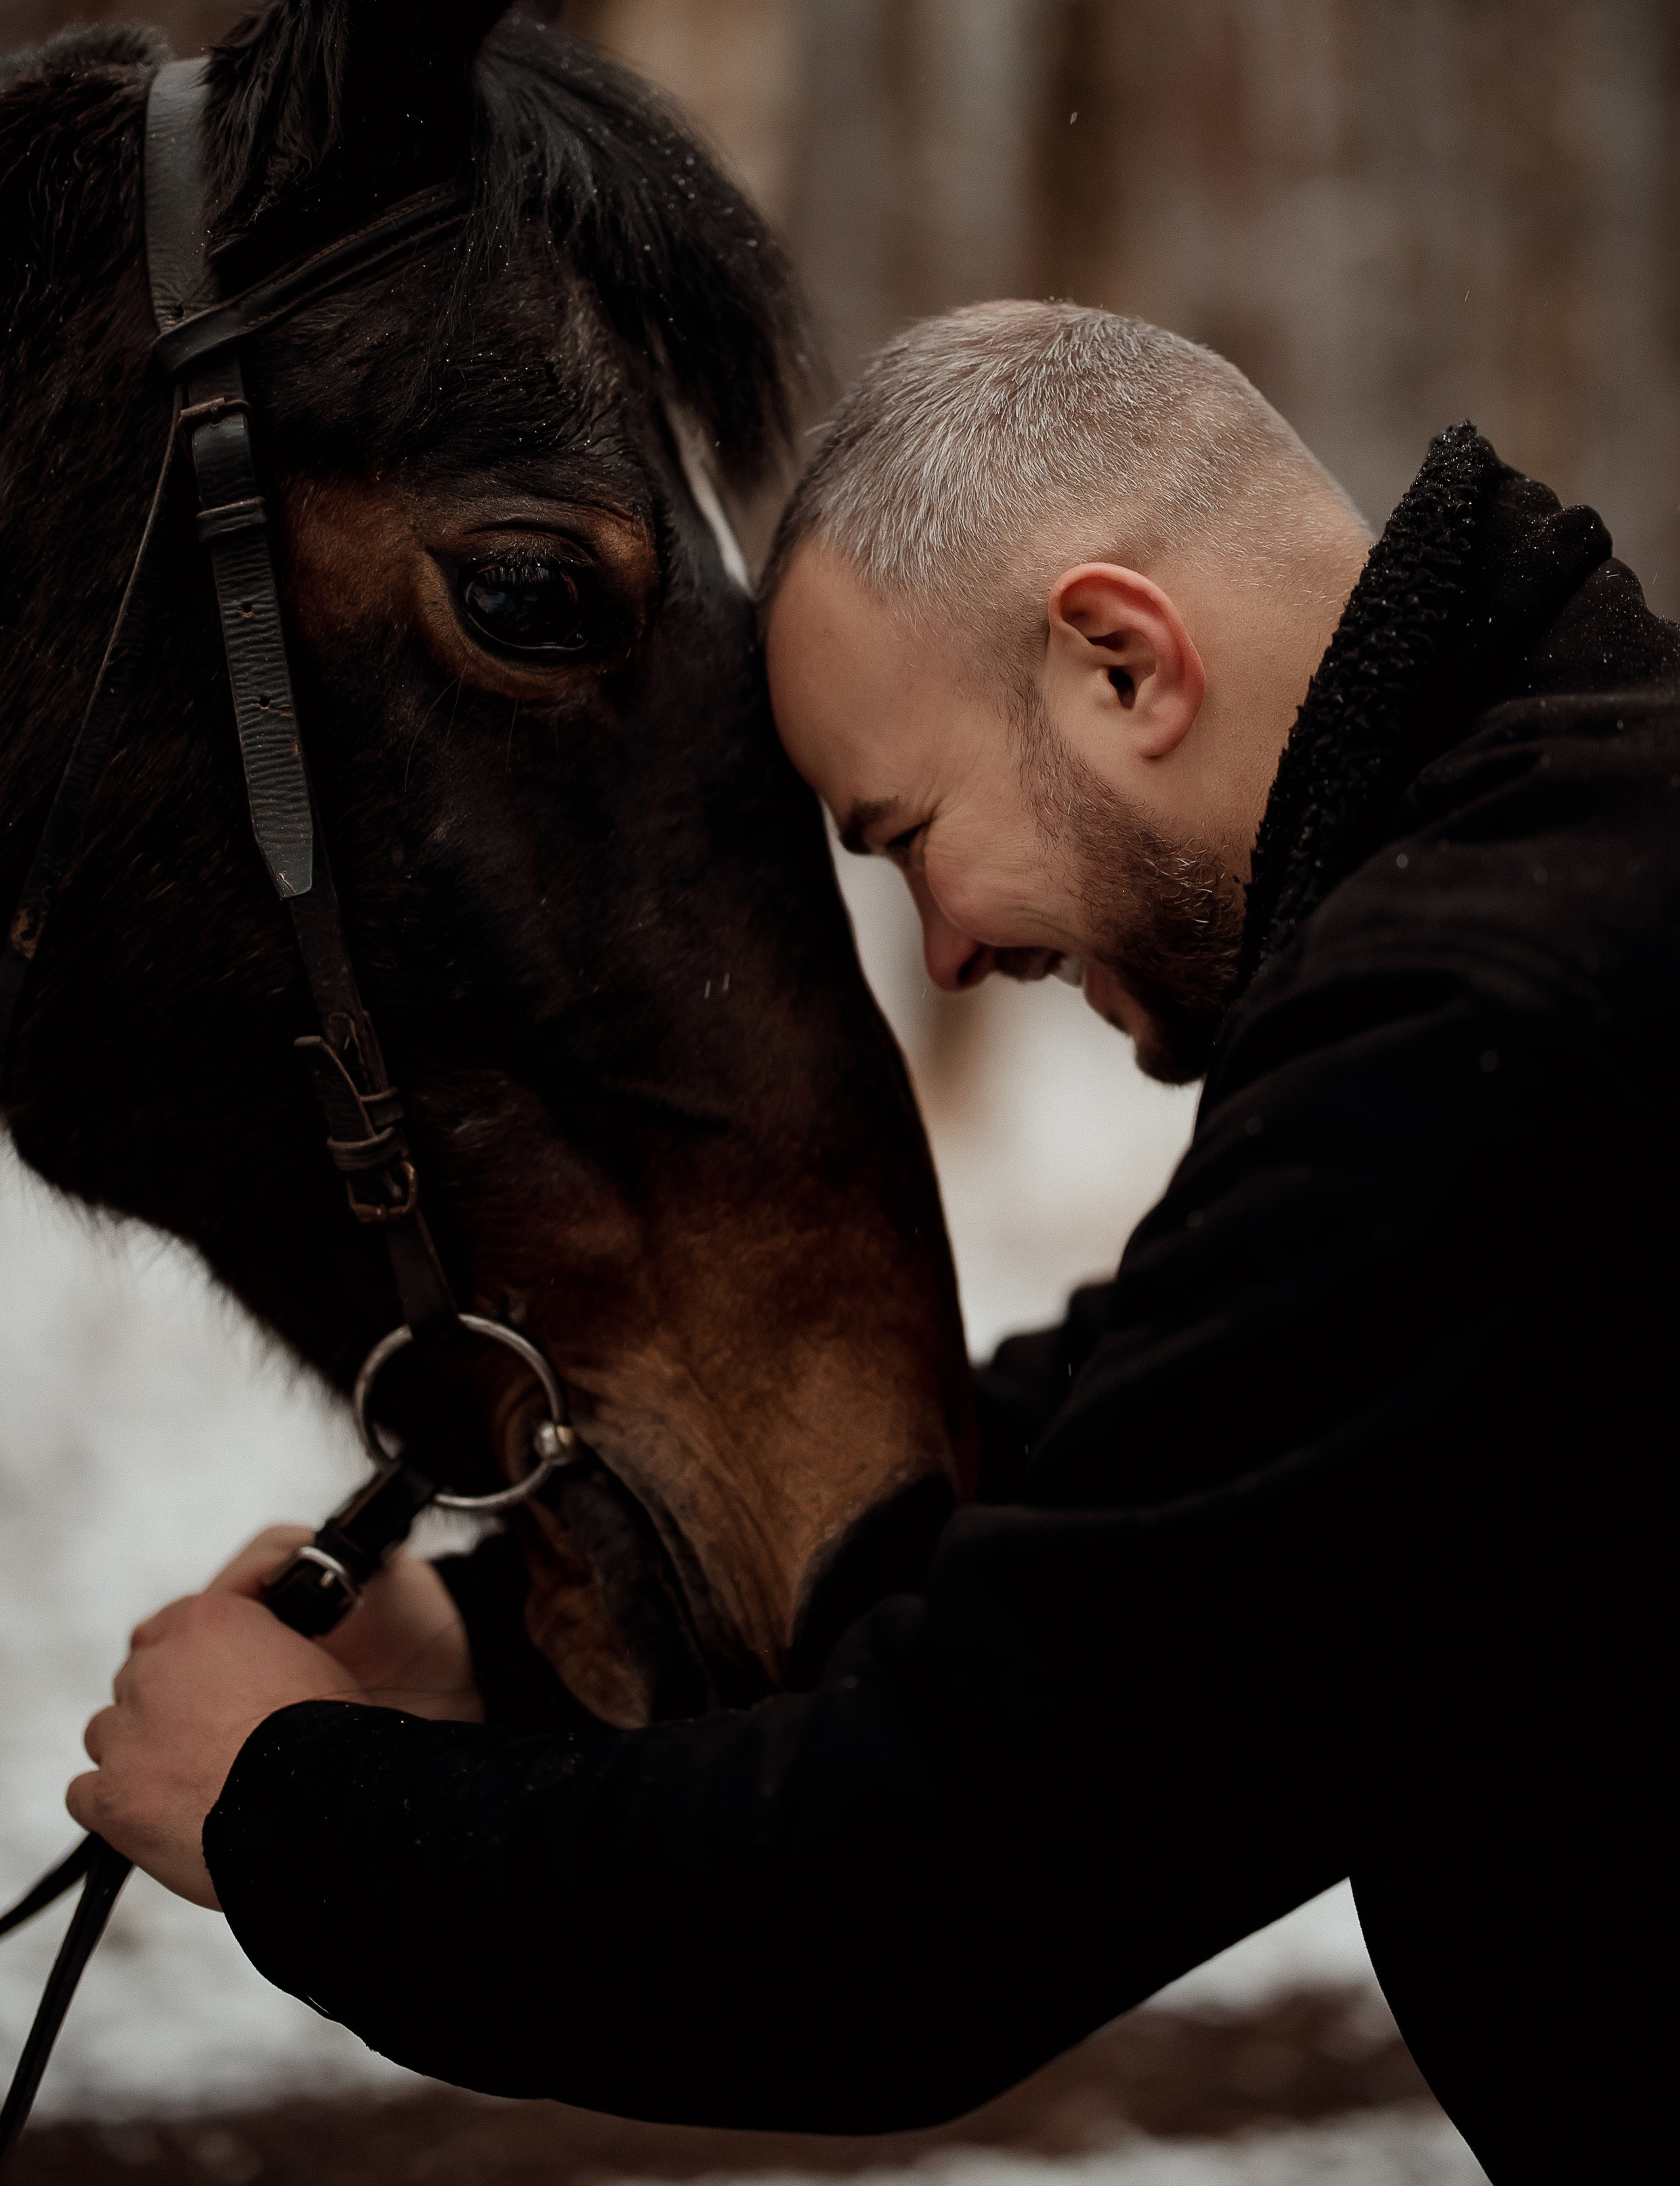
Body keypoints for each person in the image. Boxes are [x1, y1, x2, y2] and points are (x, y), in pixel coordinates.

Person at [70, 303, 1669, 2180]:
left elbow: (930, 1894)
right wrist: (494, 1649)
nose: (949, 953)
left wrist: (294, 1815)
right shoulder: (1580, 860)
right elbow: (1139, 1468)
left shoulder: (1476, 1023)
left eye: (904, 835)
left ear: (1118, 661)